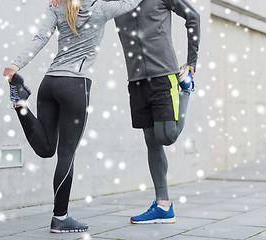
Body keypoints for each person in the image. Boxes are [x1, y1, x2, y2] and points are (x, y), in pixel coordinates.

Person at [50, 0, 200, 224]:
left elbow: (193, 17)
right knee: (152, 141)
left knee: (166, 135)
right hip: (137, 80)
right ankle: (163, 205)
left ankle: (186, 90)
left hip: (164, 76)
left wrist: (192, 63)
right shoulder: (115, 3)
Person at [3, 0, 144, 233]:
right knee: (66, 154)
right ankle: (60, 217)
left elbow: (40, 37)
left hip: (49, 84)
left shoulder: (57, 6)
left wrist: (16, 64)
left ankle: (20, 103)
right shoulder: (101, 8)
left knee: (46, 149)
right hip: (75, 86)